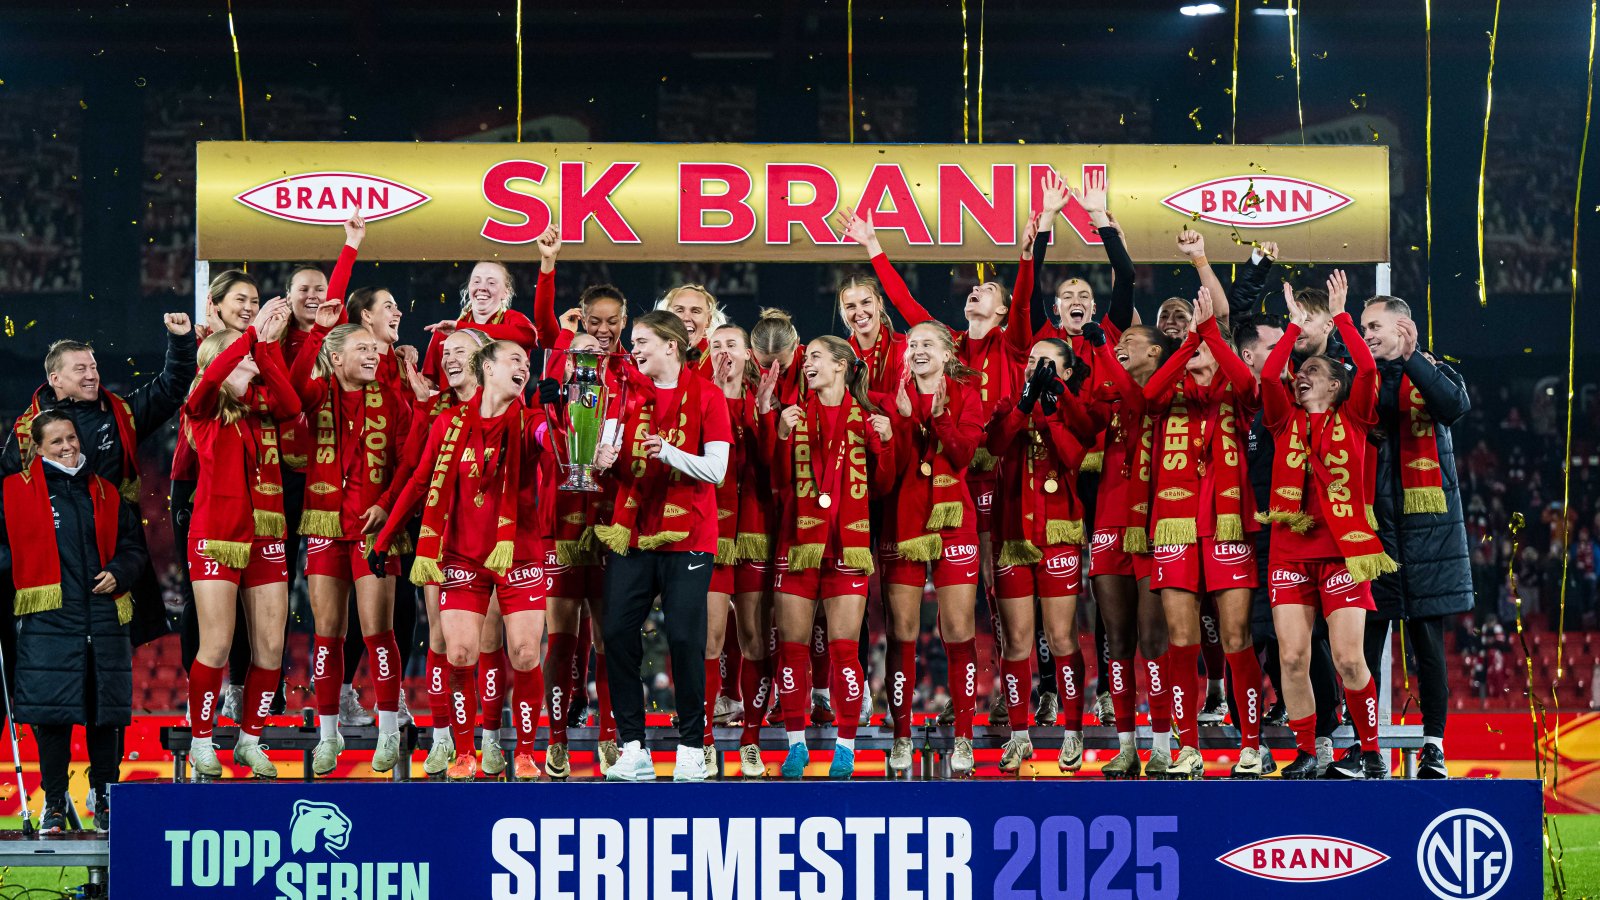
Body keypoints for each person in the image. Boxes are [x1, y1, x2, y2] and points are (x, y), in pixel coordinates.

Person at [375, 340, 550, 782]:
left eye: (526, 362)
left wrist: (557, 416)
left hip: (518, 554)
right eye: (514, 359)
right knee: (458, 652)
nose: (524, 367)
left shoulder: (530, 420)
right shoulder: (448, 422)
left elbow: (553, 445)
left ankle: (526, 753)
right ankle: (465, 753)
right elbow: (420, 482)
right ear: (487, 368)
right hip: (462, 556)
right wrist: (385, 539)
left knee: (525, 653)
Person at [1258, 270, 1396, 780]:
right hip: (1290, 552)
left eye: (1313, 370)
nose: (1302, 375)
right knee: (1292, 658)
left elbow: (1366, 366)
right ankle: (1309, 751)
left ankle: (1371, 750)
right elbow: (1269, 376)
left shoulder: (1355, 416)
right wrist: (1294, 329)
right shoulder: (1282, 419)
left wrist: (1340, 316)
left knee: (1348, 658)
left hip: (1343, 552)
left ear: (1336, 386)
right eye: (1301, 371)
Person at [591, 311, 733, 782]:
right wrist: (601, 460)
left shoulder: (708, 395)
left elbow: (717, 470)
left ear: (671, 345)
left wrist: (666, 451)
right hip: (632, 532)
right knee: (616, 633)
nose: (633, 349)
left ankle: (692, 747)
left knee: (687, 639)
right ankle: (633, 747)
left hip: (690, 535)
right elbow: (607, 458)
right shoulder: (625, 396)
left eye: (642, 341)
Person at [1, 411, 146, 833]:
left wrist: (120, 571)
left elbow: (134, 549)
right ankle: (53, 804)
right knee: (53, 719)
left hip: (105, 619)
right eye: (56, 441)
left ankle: (105, 800)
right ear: (37, 448)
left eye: (71, 438)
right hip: (48, 621)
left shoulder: (105, 492)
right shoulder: (14, 492)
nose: (67, 447)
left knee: (106, 718)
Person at [1143, 288, 1267, 779]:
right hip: (1174, 526)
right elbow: (1150, 393)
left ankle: (1252, 746)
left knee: (1236, 636)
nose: (1193, 348)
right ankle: (1188, 747)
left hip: (1227, 524)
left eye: (1203, 346)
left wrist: (1211, 333)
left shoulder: (1239, 393)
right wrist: (1190, 341)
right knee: (1181, 639)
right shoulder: (1169, 395)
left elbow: (1249, 383)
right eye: (1190, 344)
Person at [288, 305, 412, 776]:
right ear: (336, 357)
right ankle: (328, 735)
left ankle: (388, 730)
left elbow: (408, 465)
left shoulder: (392, 401)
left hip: (374, 528)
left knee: (378, 631)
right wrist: (318, 329)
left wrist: (386, 504)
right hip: (324, 524)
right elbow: (292, 384)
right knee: (327, 635)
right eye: (362, 348)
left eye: (374, 349)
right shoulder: (316, 394)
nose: (373, 355)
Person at [182, 302, 301, 779]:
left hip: (266, 533)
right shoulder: (203, 409)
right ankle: (201, 741)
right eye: (241, 354)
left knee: (270, 647)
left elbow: (292, 406)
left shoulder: (261, 406)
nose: (250, 356)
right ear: (220, 359)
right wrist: (250, 336)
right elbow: (210, 380)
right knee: (216, 643)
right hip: (217, 535)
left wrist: (265, 348)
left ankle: (250, 740)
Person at [771, 336, 895, 780]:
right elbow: (776, 481)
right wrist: (780, 435)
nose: (808, 364)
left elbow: (883, 485)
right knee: (792, 651)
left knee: (845, 651)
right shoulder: (793, 415)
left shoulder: (868, 419)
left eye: (816, 357)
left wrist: (886, 442)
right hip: (797, 544)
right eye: (806, 359)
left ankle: (845, 747)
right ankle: (796, 746)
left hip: (847, 544)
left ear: (841, 365)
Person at [1359, 294, 1473, 779]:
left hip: (1431, 533)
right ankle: (1363, 745)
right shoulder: (1357, 377)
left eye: (1375, 326)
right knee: (1365, 643)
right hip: (1374, 530)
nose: (1367, 334)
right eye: (1364, 327)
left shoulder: (1435, 371)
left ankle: (1434, 746)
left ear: (1403, 327)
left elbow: (1454, 407)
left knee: (1428, 646)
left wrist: (1412, 361)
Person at [380, 326, 493, 776]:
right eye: (446, 353)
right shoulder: (436, 409)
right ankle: (445, 736)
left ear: (483, 361)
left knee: (491, 643)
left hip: (496, 542)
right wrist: (387, 531)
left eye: (460, 352)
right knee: (443, 640)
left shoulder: (504, 405)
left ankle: (492, 740)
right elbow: (414, 472)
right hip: (443, 538)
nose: (448, 359)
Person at [880, 322, 985, 775]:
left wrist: (939, 416)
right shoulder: (892, 399)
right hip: (902, 522)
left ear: (947, 354)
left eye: (927, 344)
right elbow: (891, 473)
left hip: (953, 522)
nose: (917, 350)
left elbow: (962, 456)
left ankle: (964, 737)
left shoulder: (968, 395)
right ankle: (902, 736)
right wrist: (903, 422)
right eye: (912, 345)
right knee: (902, 631)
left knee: (959, 629)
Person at [987, 338, 1092, 772]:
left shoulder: (1075, 411)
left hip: (1058, 534)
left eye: (1045, 362)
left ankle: (1073, 731)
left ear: (1065, 372)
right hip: (1012, 535)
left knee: (1062, 637)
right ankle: (1019, 736)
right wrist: (1024, 405)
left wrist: (1049, 412)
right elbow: (995, 446)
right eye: (1031, 360)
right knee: (1016, 641)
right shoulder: (1008, 405)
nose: (1035, 366)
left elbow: (1073, 457)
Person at [1086, 322, 1179, 778]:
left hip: (1153, 524)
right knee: (1117, 641)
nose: (1120, 346)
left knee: (1153, 639)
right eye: (1117, 343)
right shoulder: (1108, 398)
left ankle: (1161, 744)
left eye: (1130, 342)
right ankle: (1126, 746)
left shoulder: (1166, 395)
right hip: (1108, 523)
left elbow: (1140, 401)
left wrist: (1103, 351)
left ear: (1156, 353)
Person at [420, 259, 539, 382]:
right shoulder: (444, 332)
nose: (482, 287)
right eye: (476, 281)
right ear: (469, 287)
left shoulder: (513, 320)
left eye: (491, 283)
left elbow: (529, 336)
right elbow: (429, 382)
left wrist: (462, 328)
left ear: (505, 292)